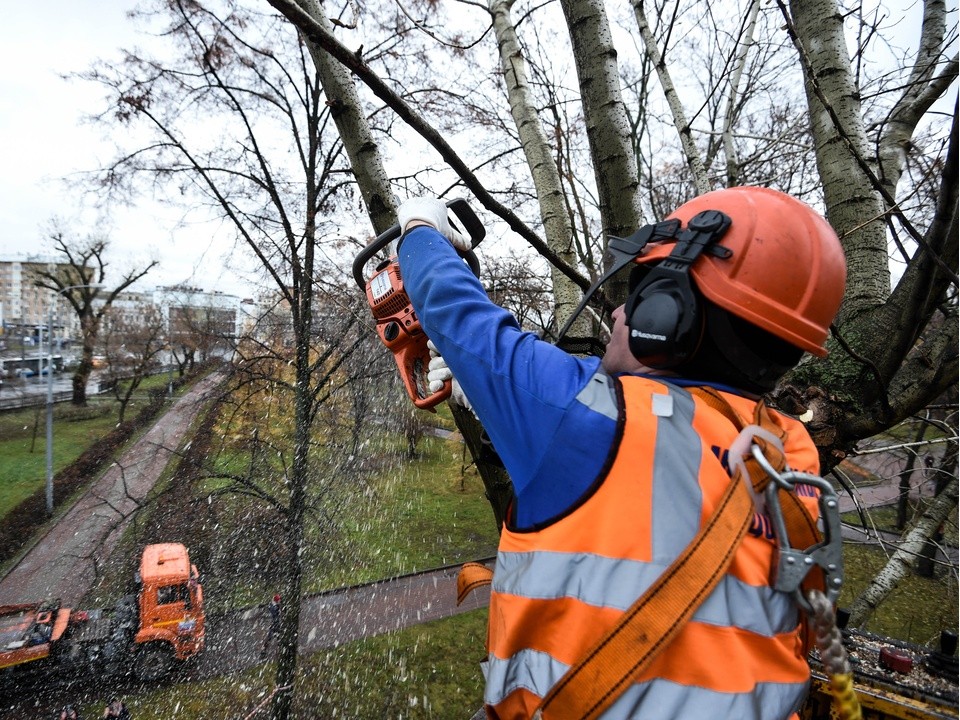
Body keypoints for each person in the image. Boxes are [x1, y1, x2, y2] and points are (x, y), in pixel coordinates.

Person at [394, 186, 847, 719]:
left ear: (668, 317)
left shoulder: (582, 413)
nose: (615, 311)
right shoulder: (789, 452)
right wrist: (500, 398)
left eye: (637, 297)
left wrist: (419, 229)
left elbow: (452, 309)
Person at [261, 593, 281, 658]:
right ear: (276, 600)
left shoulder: (273, 605)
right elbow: (275, 614)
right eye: (279, 600)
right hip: (275, 624)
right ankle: (264, 650)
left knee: (273, 638)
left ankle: (264, 650)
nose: (280, 601)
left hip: (275, 624)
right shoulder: (274, 607)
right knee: (274, 637)